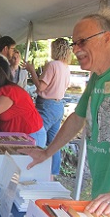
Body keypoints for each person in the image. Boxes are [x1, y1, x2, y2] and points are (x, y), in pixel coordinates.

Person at [23, 9, 110, 215]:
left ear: (106, 38)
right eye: (74, 43)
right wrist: (46, 153)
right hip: (107, 189)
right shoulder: (98, 77)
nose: (76, 49)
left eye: (82, 41)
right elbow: (77, 118)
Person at [22, 38, 72, 176]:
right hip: (58, 106)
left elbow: (41, 86)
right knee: (54, 143)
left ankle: (33, 170)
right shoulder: (66, 67)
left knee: (36, 135)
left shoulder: (52, 65)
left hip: (46, 105)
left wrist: (32, 71)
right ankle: (53, 173)